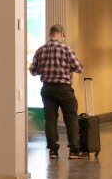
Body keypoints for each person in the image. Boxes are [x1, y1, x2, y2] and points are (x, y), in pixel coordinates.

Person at [29, 24, 87, 160]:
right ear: (61, 34)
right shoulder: (66, 50)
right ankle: (74, 150)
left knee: (50, 119)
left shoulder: (40, 50)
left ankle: (53, 151)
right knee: (71, 118)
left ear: (50, 34)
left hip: (47, 89)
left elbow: (33, 71)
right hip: (64, 89)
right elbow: (79, 68)